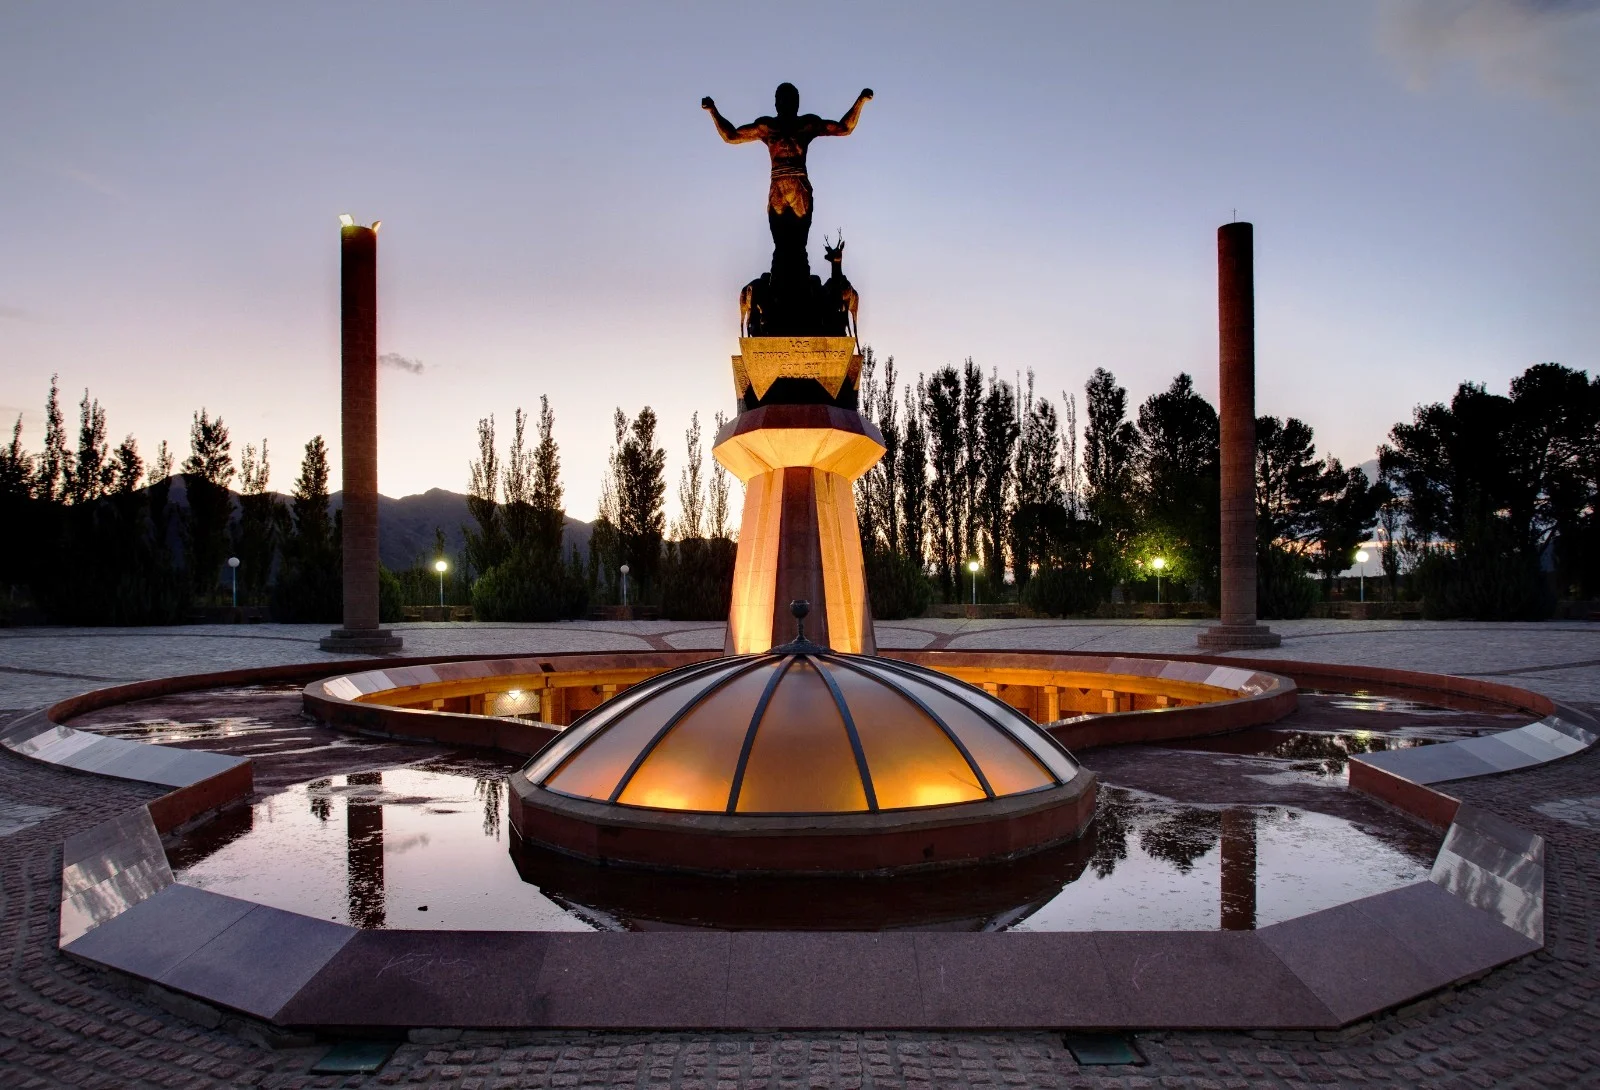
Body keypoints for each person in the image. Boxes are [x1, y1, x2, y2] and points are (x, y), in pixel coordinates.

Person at [702, 83, 872, 273]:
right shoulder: (766, 127)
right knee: (780, 244)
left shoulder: (806, 124)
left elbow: (844, 128)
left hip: (799, 183)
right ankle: (780, 278)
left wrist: (861, 101)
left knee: (799, 244)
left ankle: (801, 279)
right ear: (776, 103)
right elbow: (731, 136)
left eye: (791, 98)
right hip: (778, 185)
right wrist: (713, 110)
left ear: (797, 103)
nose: (787, 102)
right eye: (782, 98)